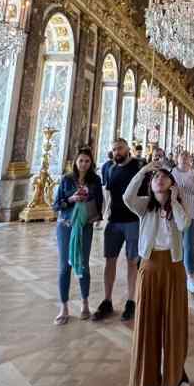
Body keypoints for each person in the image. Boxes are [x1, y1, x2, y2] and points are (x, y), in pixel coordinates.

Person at [123, 161, 191, 386]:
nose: (159, 180)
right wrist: (143, 171)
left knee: (175, 322)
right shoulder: (144, 207)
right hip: (150, 267)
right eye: (156, 178)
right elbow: (127, 197)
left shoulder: (177, 208)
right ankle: (149, 381)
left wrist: (173, 201)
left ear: (172, 184)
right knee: (148, 323)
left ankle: (176, 372)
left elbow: (185, 225)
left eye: (164, 177)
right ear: (150, 185)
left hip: (173, 268)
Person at [52, 148, 104, 325]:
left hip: (85, 226)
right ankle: (64, 306)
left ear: (91, 163)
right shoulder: (67, 179)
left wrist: (89, 204)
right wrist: (72, 199)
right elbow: (56, 205)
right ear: (76, 162)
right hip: (66, 226)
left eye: (87, 161)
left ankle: (85, 302)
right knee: (64, 267)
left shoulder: (95, 180)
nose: (83, 164)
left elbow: (99, 202)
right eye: (81, 160)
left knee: (83, 264)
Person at [93, 138, 142, 322]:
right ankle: (107, 300)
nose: (117, 152)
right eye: (114, 149)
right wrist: (101, 215)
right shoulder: (107, 168)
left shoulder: (138, 166)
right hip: (113, 221)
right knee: (109, 261)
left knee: (132, 262)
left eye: (120, 148)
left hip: (133, 222)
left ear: (128, 148)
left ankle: (131, 300)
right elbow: (106, 194)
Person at [171, 150, 194, 294]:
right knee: (175, 244)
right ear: (177, 158)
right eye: (182, 156)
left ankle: (190, 276)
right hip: (175, 215)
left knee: (189, 245)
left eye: (188, 156)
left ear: (191, 159)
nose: (185, 158)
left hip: (193, 214)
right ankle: (176, 273)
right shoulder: (171, 172)